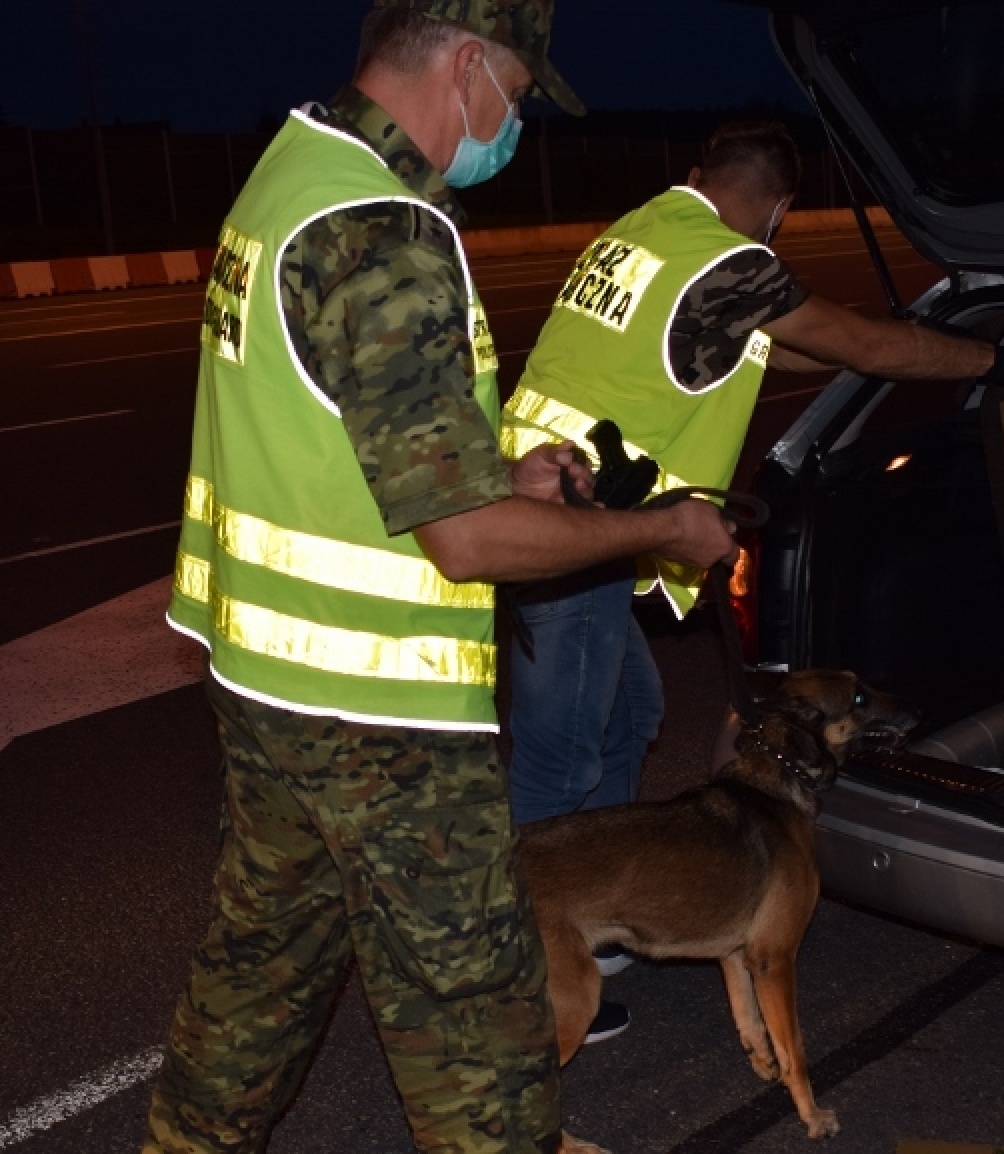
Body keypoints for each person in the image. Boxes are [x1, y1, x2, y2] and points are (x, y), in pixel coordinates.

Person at [142, 3, 736, 1152]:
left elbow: (329, 416)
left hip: (268, 691)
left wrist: (496, 467)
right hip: (386, 730)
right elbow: (465, 541)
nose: (512, 126)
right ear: (466, 65)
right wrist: (659, 527)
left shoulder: (288, 172)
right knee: (480, 1041)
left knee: (250, 994)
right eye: (515, 95)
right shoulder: (385, 229)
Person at [497, 121, 1004, 1032]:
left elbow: (800, 346)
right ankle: (521, 968)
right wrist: (996, 359)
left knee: (630, 720)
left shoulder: (648, 230)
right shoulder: (730, 263)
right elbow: (864, 349)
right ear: (778, 211)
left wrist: (897, 336)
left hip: (563, 515)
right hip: (569, 538)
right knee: (558, 755)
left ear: (696, 177)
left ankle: (602, 919)